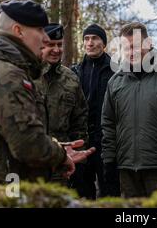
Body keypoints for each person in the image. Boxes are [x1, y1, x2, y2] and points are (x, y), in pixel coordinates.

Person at [0, 0, 94, 182]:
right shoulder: (6, 76)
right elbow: (26, 144)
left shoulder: (5, 70)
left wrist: (54, 147)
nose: (46, 38)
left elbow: (11, 136)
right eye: (39, 30)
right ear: (18, 31)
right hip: (3, 189)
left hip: (6, 182)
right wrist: (60, 155)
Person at [102, 22, 157, 198]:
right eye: (126, 47)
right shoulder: (115, 82)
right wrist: (109, 160)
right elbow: (108, 123)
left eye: (136, 46)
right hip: (127, 170)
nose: (131, 52)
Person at [35, 23, 89, 185]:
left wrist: (77, 156)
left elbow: (80, 120)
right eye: (50, 45)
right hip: (26, 162)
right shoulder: (25, 74)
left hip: (59, 163)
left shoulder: (71, 79)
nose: (56, 50)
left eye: (59, 45)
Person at [71, 23, 119, 198]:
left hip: (107, 142)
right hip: (81, 142)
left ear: (104, 44)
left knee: (109, 192)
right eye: (86, 38)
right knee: (83, 193)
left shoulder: (117, 71)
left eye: (95, 38)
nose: (90, 43)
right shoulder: (73, 72)